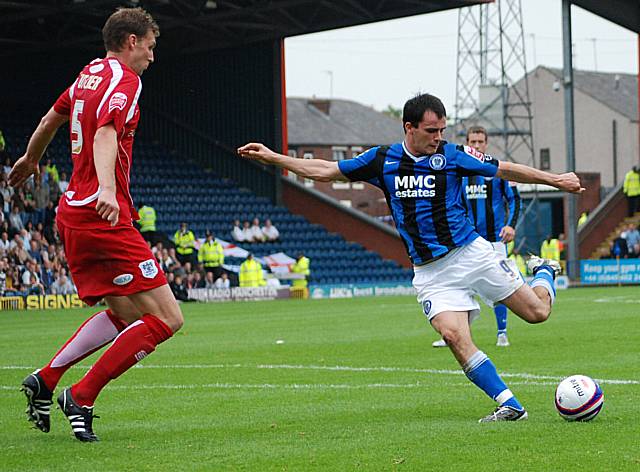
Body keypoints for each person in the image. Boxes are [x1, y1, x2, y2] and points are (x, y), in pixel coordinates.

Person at [238, 92, 583, 422]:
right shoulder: (381, 160)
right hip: (431, 273)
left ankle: (545, 272)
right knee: (452, 336)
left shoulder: (452, 155)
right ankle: (510, 405)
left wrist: (555, 179)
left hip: (470, 254)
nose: (438, 137)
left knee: (538, 313)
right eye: (431, 131)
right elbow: (325, 170)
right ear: (409, 127)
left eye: (442, 130)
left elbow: (505, 169)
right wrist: (272, 157)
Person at [10, 7, 183, 443]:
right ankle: (82, 396)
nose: (151, 56)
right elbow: (106, 132)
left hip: (72, 213)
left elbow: (52, 118)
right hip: (101, 213)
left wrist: (31, 158)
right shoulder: (127, 81)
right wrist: (107, 188)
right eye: (150, 46)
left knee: (126, 314)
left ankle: (46, 379)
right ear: (131, 41)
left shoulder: (88, 74)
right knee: (167, 318)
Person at [432, 126, 520, 348]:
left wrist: (511, 225)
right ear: (467, 143)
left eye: (481, 142)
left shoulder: (497, 171)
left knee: (502, 287)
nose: (477, 145)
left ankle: (502, 332)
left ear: (486, 144)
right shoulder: (458, 171)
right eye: (473, 142)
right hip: (466, 241)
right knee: (461, 287)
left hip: (494, 240)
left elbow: (515, 199)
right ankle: (458, 333)